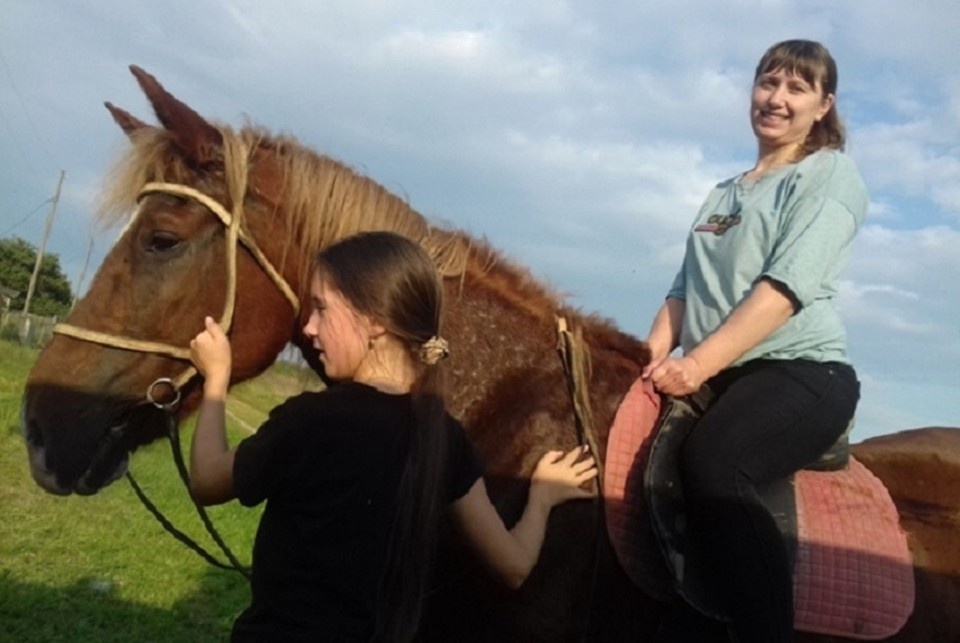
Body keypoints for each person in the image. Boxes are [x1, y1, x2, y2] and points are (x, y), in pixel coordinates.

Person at [188, 230, 597, 643]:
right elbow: (514, 567)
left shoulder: (310, 421)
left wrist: (217, 378)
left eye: (321, 309)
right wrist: (541, 498)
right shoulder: (445, 440)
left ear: (375, 322)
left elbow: (207, 480)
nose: (309, 328)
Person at [642, 40, 866, 643]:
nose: (777, 99)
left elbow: (783, 288)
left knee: (716, 463)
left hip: (800, 372)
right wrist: (649, 358)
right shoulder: (724, 191)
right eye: (769, 83)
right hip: (725, 373)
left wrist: (697, 366)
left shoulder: (827, 175)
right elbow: (684, 288)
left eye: (797, 88)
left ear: (823, 106)